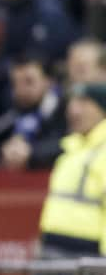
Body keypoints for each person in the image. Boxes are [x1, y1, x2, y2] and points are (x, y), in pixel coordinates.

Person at [39, 83, 106, 259]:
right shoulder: (70, 147)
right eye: (72, 103)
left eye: (83, 103)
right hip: (52, 248)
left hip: (88, 256)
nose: (73, 111)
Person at [0, 53, 66, 169]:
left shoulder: (67, 107)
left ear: (49, 81)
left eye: (29, 82)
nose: (20, 90)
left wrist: (32, 152)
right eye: (15, 83)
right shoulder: (13, 110)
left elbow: (70, 143)